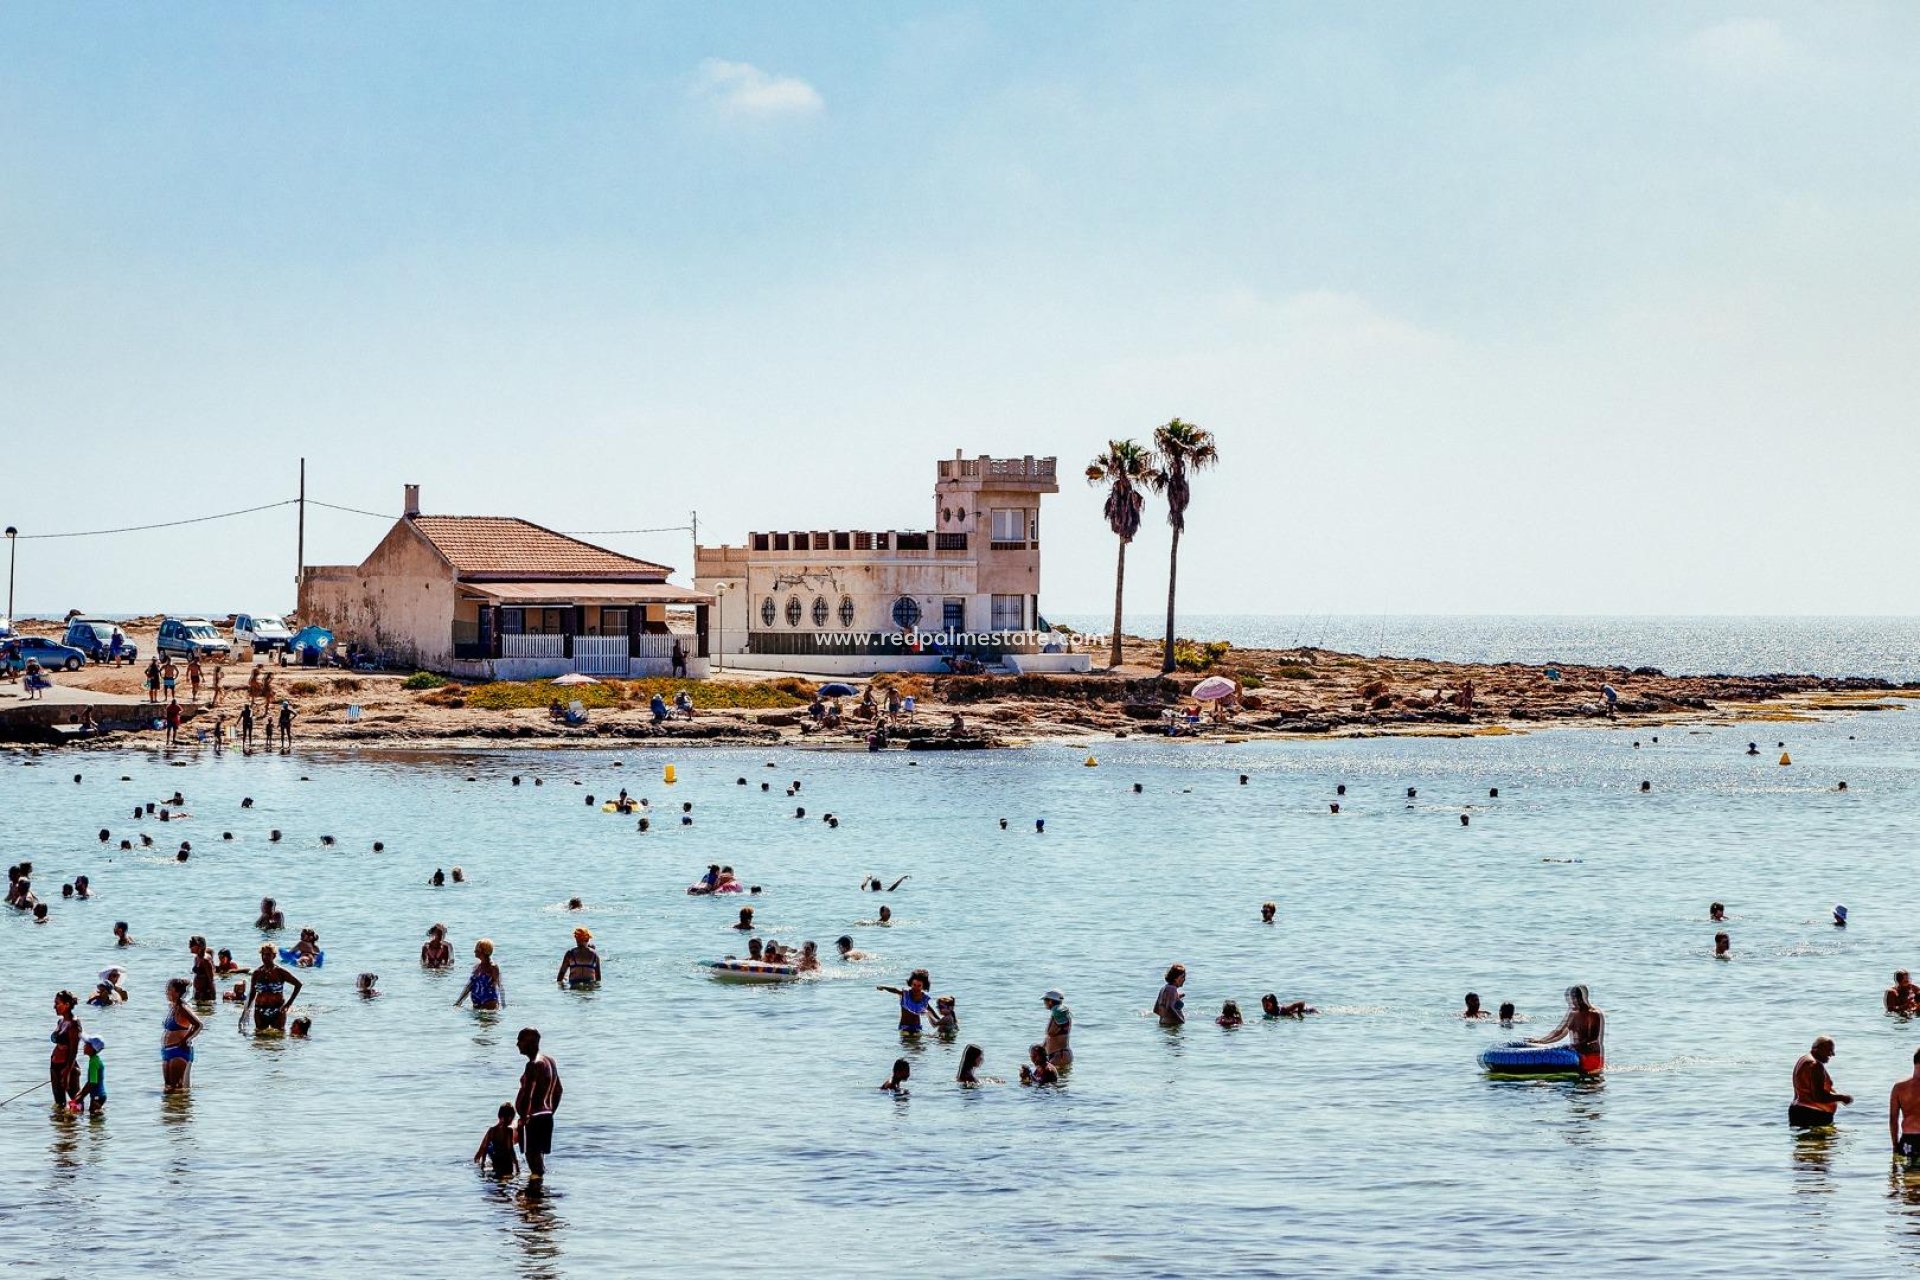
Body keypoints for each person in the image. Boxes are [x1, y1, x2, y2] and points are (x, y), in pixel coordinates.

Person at [514, 1028, 562, 1180]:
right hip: (545, 1116)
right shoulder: (550, 1061)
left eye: (520, 1040)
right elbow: (559, 1090)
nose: (517, 1044)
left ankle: (534, 1197)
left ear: (529, 1042)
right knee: (538, 1157)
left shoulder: (534, 1064)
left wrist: (524, 1117)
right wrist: (550, 1111)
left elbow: (528, 1094)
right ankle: (539, 1197)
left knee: (532, 1157)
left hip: (533, 1117)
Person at [1527, 985, 1606, 1074]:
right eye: (1571, 998)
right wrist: (1540, 1041)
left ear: (1582, 998)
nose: (1571, 1001)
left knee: (1587, 1081)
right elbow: (1560, 1032)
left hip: (1591, 1055)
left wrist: (1572, 1047)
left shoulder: (1594, 1014)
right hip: (1575, 1054)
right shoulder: (1572, 1013)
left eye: (1574, 998)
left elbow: (1593, 1038)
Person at [240, 943, 303, 1033]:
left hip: (277, 1010)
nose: (265, 957)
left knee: (278, 1038)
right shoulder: (257, 973)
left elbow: (298, 984)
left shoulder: (280, 972)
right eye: (263, 954)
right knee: (259, 1039)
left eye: (268, 954)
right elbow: (253, 993)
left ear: (274, 956)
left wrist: (288, 1004)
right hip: (260, 1010)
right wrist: (246, 1010)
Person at [1791, 1037, 1852, 1127]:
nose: (1832, 1054)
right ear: (1818, 1048)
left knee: (1806, 1140)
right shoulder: (1815, 1065)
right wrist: (1842, 1097)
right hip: (1814, 1115)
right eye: (1830, 1050)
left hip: (1800, 1111)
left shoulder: (1803, 1059)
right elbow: (1819, 1096)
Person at [161, 978, 202, 1092]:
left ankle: (181, 1108)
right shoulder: (173, 1007)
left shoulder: (183, 1008)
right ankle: (170, 1109)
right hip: (167, 1051)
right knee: (168, 1088)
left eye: (169, 989)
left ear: (177, 992)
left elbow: (198, 1024)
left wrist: (185, 1040)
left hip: (178, 1051)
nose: (166, 992)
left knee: (177, 1089)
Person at [49, 991, 82, 1110]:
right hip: (55, 1065)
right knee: (59, 1104)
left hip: (67, 1067)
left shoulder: (74, 1024)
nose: (54, 1006)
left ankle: (77, 1126)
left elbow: (74, 1051)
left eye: (57, 1003)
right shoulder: (61, 1022)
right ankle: (62, 1126)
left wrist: (67, 1072)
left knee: (76, 1102)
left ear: (67, 1005)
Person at [456, 939, 505, 1010]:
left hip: (489, 1001)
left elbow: (499, 986)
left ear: (483, 950)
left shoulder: (493, 967)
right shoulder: (476, 967)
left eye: (476, 949)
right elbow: (469, 986)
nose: (474, 951)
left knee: (487, 1019)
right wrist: (458, 1002)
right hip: (476, 1002)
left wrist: (502, 1003)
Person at [475, 1102, 519, 1179]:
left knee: (497, 1177)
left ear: (499, 1116)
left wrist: (483, 1163)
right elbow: (510, 1149)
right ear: (510, 1118)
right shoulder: (509, 1131)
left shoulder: (492, 1130)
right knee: (507, 1178)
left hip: (496, 1160)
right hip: (506, 1161)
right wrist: (516, 1164)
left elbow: (485, 1148)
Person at [1892, 1048, 1920, 1164]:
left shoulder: (1898, 1087)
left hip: (1908, 1139)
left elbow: (1893, 1119)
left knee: (1909, 1178)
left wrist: (1895, 1145)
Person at [1043, 989, 1073, 1067]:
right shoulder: (1057, 1015)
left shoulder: (1059, 1014)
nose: (1044, 1003)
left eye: (1045, 1000)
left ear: (1050, 1001)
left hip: (1059, 1056)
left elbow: (1051, 1033)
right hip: (1059, 1055)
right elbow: (1050, 1037)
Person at [81, 1037, 107, 1115]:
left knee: (94, 1120)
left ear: (92, 1048)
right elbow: (90, 1081)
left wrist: (81, 1096)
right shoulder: (95, 1059)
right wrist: (81, 1093)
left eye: (86, 1044)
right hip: (99, 1095)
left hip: (97, 1096)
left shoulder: (93, 1062)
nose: (84, 1046)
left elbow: (92, 1082)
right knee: (95, 1118)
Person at [189, 936, 217, 1002]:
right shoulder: (197, 958)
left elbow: (211, 979)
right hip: (197, 992)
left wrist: (213, 996)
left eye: (192, 945)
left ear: (200, 946)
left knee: (206, 1011)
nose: (189, 947)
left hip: (206, 994)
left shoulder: (205, 960)